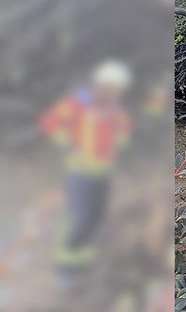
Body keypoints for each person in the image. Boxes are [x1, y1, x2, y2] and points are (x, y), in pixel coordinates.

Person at [39, 60, 132, 284]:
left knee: (96, 218)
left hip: (103, 173)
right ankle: (66, 271)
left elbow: (124, 130)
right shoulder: (79, 103)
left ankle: (84, 267)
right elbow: (50, 123)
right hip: (80, 173)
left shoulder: (112, 108)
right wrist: (70, 146)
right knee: (79, 218)